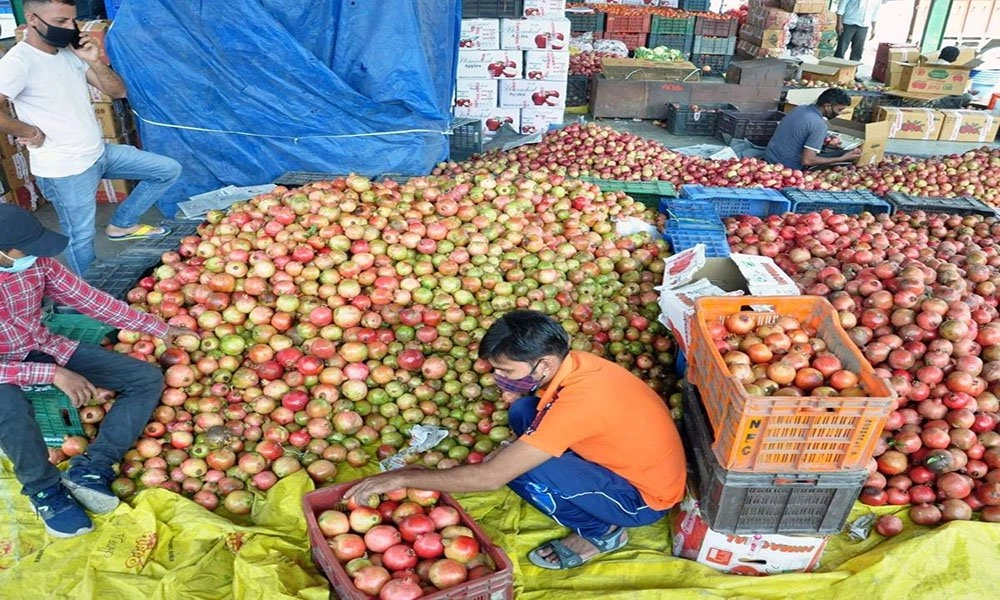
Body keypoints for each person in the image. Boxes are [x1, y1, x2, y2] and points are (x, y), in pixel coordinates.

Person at [345, 310, 687, 570]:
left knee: (520, 471)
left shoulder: (581, 404)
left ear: (543, 364)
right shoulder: (579, 365)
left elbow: (491, 478)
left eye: (506, 371)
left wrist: (402, 476)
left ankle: (602, 533)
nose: (497, 378)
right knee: (524, 410)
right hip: (620, 459)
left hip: (643, 498)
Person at [0, 203, 192, 538]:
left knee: (145, 378)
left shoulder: (37, 265)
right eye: (25, 250)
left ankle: (91, 466)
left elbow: (91, 300)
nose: (36, 255)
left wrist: (158, 328)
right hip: (5, 368)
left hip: (43, 345)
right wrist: (52, 374)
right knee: (9, 410)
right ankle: (44, 491)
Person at [0, 0, 183, 275]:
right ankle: (93, 290)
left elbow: (118, 91)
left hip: (98, 153)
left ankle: (121, 224)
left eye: (72, 21)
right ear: (32, 19)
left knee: (167, 170)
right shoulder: (19, 62)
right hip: (64, 168)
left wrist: (94, 61)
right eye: (60, 21)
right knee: (81, 236)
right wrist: (29, 132)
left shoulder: (69, 55)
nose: (69, 28)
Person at [765, 88, 862, 171]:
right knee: (846, 156)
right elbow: (807, 161)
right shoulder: (819, 125)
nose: (840, 113)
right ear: (827, 106)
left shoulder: (800, 108)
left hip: (770, 157)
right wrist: (842, 158)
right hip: (788, 168)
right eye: (839, 110)